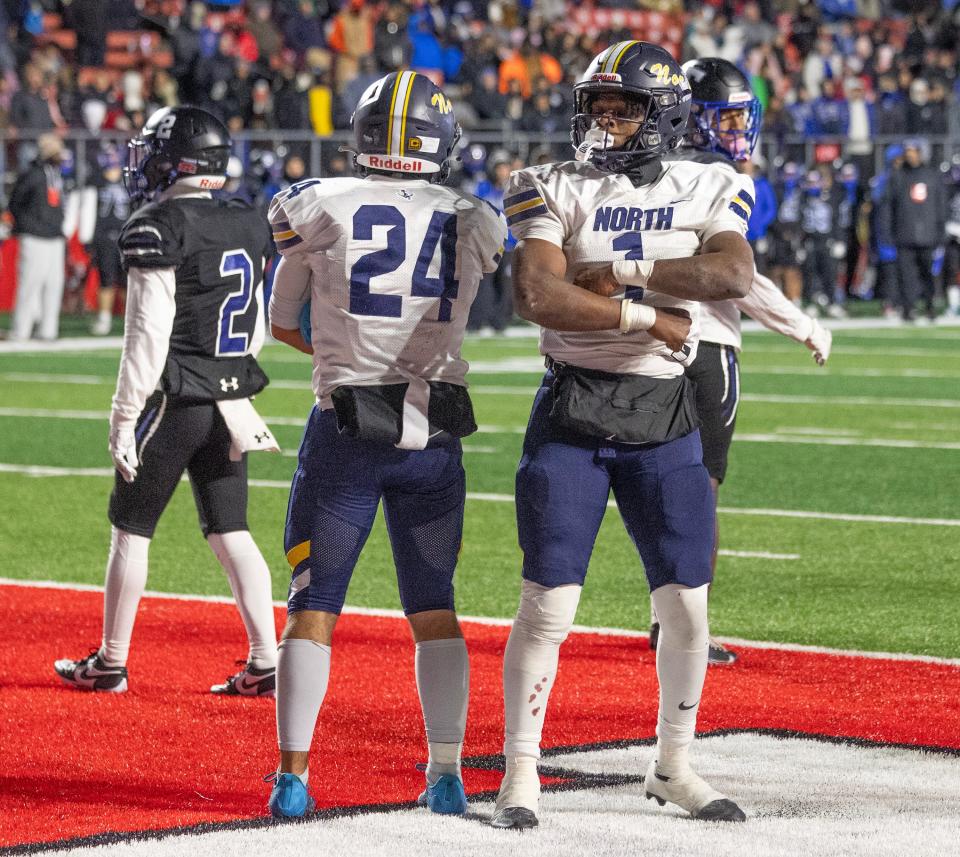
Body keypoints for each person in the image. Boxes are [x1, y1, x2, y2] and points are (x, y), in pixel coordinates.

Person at [491, 41, 754, 830]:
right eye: (598, 105)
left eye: (625, 106)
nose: (606, 121)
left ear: (665, 111)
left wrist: (619, 273)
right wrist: (647, 314)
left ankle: (673, 762)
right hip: (573, 404)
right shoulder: (545, 182)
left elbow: (731, 276)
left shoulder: (712, 179)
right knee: (548, 603)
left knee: (687, 605)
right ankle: (521, 772)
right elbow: (538, 292)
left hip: (666, 408)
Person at [264, 71, 507, 820]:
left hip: (344, 430)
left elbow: (282, 322)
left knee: (314, 605)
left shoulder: (318, 204)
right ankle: (445, 774)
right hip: (434, 429)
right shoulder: (475, 215)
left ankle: (293, 779)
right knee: (435, 607)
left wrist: (341, 355)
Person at [54, 106, 280, 698]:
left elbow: (148, 334)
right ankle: (265, 660)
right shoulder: (248, 219)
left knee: (131, 527)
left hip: (177, 397)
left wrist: (124, 415)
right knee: (231, 530)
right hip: (233, 398)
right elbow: (254, 324)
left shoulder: (159, 223)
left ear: (173, 158)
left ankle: (111, 661)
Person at [647, 57, 832, 666]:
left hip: (644, 338)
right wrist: (801, 325)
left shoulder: (641, 172)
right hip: (705, 343)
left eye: (737, 119)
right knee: (699, 489)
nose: (735, 132)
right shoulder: (720, 181)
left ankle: (661, 619)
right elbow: (738, 279)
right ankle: (687, 629)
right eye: (723, 118)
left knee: (653, 483)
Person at [7, 133, 67, 341]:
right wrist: (27, 224)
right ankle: (20, 330)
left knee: (53, 284)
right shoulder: (32, 174)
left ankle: (48, 330)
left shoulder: (56, 174)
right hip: (35, 236)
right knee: (30, 284)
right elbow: (15, 203)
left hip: (54, 236)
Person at [885, 138, 947, 323]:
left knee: (928, 273)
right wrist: (889, 232)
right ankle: (909, 308)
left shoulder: (932, 176)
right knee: (906, 275)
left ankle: (929, 305)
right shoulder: (898, 177)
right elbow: (889, 206)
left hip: (928, 234)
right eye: (908, 151)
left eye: (914, 151)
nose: (910, 155)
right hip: (904, 233)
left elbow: (940, 206)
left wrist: (940, 231)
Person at [88, 148, 130, 335]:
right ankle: (104, 319)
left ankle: (130, 320)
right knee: (106, 278)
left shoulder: (130, 182)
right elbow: (89, 210)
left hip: (125, 237)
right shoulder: (96, 182)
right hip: (104, 237)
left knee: (127, 281)